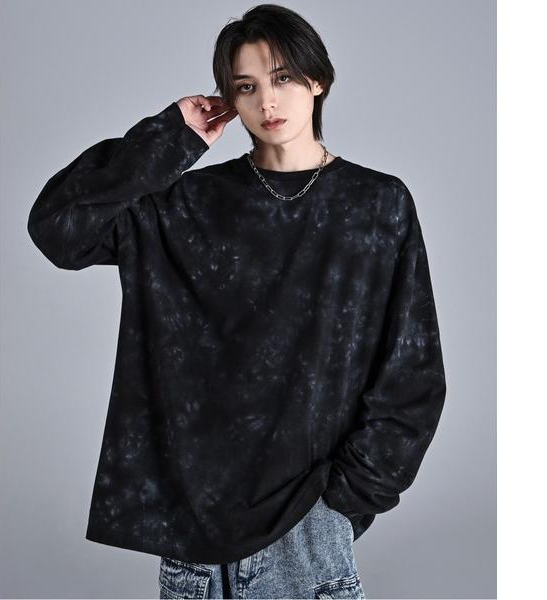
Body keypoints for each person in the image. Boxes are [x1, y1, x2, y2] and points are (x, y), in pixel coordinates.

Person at [27, 4, 446, 599]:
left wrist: (346, 500)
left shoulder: (376, 204)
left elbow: (412, 373)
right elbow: (59, 229)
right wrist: (167, 137)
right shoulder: (190, 201)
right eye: (246, 87)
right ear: (229, 98)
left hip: (306, 527)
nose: (267, 102)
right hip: (192, 533)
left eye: (283, 78)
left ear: (317, 79)